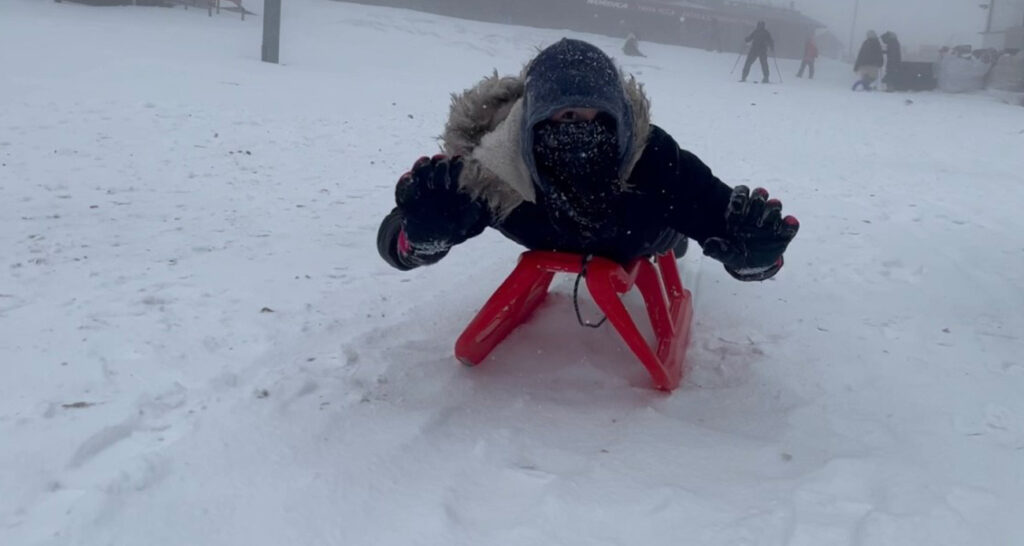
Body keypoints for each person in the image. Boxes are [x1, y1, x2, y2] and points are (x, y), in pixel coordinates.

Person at [377, 39, 799, 283]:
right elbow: (396, 242)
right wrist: (420, 236)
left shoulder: (651, 156)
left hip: (642, 238)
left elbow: (715, 211)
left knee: (676, 231)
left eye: (599, 118)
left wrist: (756, 255)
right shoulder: (496, 168)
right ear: (536, 120)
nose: (585, 129)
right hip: (546, 237)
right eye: (568, 116)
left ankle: (677, 241)